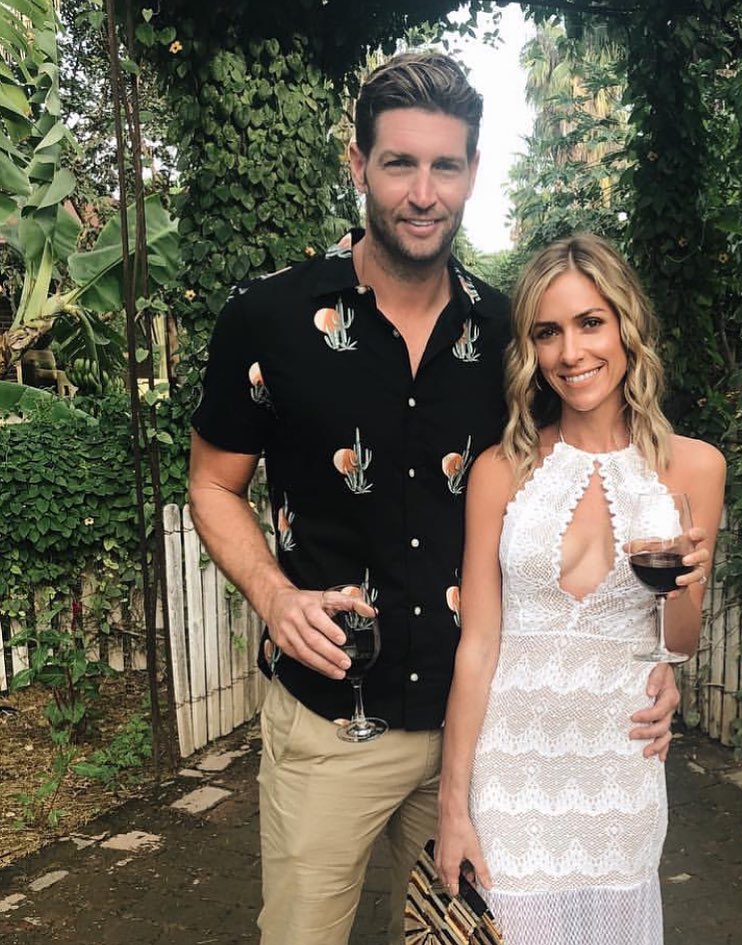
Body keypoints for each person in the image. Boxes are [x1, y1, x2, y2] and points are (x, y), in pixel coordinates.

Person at [187, 53, 681, 945]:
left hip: (482, 734)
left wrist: (653, 660)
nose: (422, 191)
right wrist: (273, 593)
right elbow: (213, 484)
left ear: (472, 172)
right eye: (399, 163)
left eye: (444, 165)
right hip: (330, 720)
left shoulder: (509, 336)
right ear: (358, 164)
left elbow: (599, 477)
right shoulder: (265, 318)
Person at [435, 233, 727, 945]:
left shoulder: (695, 467)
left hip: (618, 773)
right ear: (529, 350)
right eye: (547, 332)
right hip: (509, 777)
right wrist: (453, 805)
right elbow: (477, 644)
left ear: (627, 328)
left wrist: (680, 601)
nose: (571, 352)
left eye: (590, 322)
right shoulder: (500, 471)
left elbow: (679, 641)